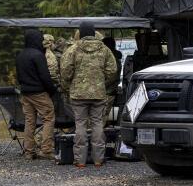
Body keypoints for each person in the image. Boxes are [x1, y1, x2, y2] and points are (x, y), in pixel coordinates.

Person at [60, 22, 118, 168]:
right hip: (98, 93)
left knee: (80, 124)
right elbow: (112, 70)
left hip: (78, 94)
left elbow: (65, 71)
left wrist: (69, 86)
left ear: (80, 33)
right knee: (98, 123)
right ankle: (98, 159)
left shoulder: (73, 49)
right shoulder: (104, 49)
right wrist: (102, 83)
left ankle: (80, 160)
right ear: (93, 33)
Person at [15, 29, 58, 161]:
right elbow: (45, 77)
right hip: (39, 92)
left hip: (25, 93)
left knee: (29, 121)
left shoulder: (20, 55)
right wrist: (52, 90)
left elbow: (18, 76)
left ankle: (29, 151)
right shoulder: (38, 55)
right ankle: (46, 149)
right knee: (48, 118)